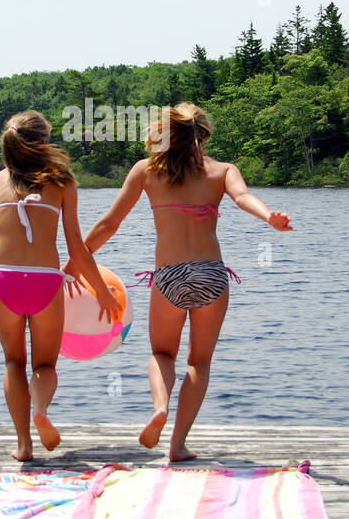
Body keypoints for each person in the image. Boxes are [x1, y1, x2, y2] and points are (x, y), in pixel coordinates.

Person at [65, 103, 292, 461]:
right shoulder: (221, 171)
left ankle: (160, 407)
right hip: (212, 275)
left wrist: (76, 260)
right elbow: (244, 196)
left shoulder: (146, 170)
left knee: (161, 353)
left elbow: (110, 223)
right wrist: (270, 217)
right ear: (204, 134)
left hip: (168, 276)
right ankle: (177, 445)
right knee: (198, 363)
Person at [0, 110, 120, 462]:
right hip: (45, 281)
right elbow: (77, 246)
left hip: (3, 279)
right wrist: (101, 291)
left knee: (14, 361)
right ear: (43, 142)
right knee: (45, 366)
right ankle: (41, 409)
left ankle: (24, 445)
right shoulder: (62, 183)